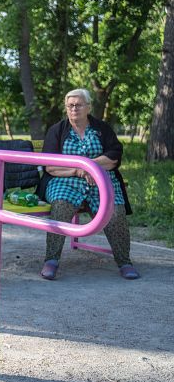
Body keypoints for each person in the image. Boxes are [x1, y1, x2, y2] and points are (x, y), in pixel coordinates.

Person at [38, 89, 138, 280]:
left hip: (100, 179)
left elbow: (113, 157)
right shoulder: (57, 130)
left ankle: (125, 262)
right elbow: (51, 166)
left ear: (88, 107)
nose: (74, 108)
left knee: (115, 212)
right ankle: (51, 260)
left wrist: (89, 166)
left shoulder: (102, 128)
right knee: (61, 205)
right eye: (70, 105)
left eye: (78, 104)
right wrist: (78, 170)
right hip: (65, 179)